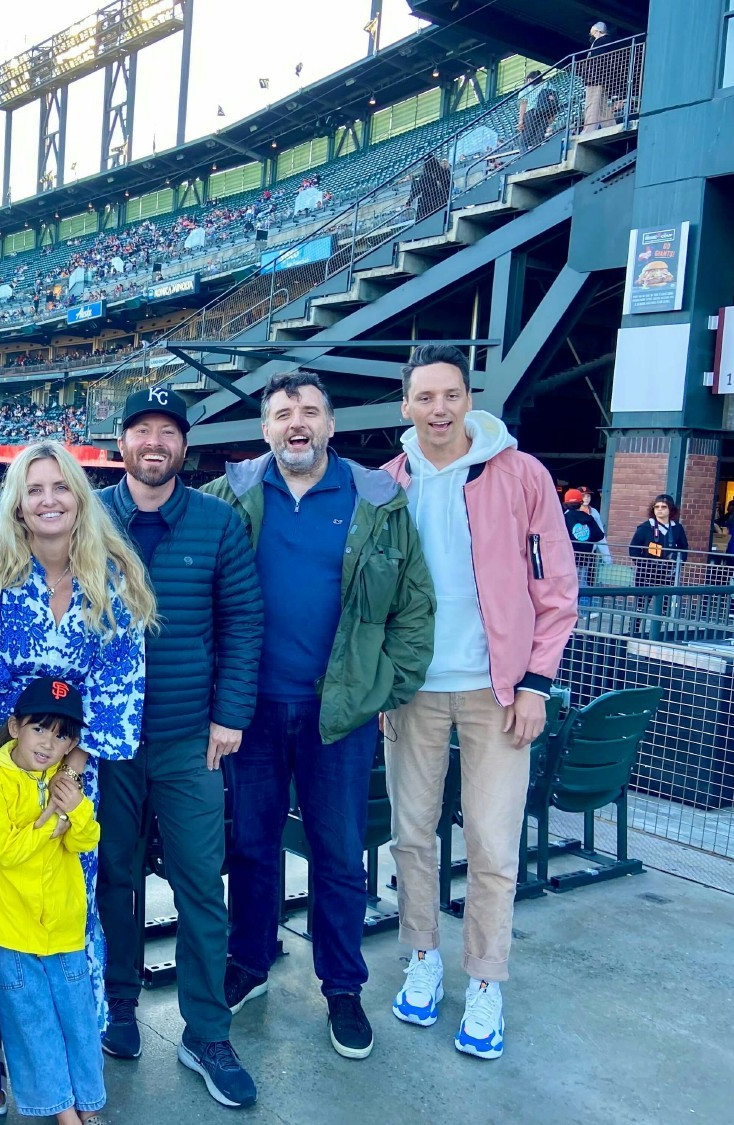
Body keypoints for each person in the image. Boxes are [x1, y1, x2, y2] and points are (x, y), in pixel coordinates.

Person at [0, 441, 152, 1111]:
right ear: (16, 501)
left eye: (60, 487)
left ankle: (63, 1071)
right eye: (33, 487)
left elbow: (118, 690)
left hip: (73, 774)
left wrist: (62, 774)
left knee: (59, 925)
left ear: (79, 497)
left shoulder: (115, 578)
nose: (47, 499)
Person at [205, 371, 434, 1062]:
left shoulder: (377, 499)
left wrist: (382, 689)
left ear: (331, 425)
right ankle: (248, 960)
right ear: (266, 429)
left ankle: (341, 987)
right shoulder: (232, 496)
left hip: (339, 713)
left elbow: (414, 608)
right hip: (253, 708)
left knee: (338, 854)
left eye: (309, 411)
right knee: (252, 844)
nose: (296, 422)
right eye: (282, 413)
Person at [382, 344, 577, 1060]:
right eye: (425, 397)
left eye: (450, 395)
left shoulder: (521, 474)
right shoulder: (387, 484)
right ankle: (423, 956)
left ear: (469, 400)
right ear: (406, 406)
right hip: (413, 691)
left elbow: (556, 588)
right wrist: (380, 681)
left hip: (498, 691)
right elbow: (370, 598)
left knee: (493, 844)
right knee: (412, 835)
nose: (438, 409)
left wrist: (536, 682)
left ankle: (487, 979)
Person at [95, 387, 263, 1108]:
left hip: (190, 738)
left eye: (168, 431)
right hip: (104, 738)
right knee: (114, 879)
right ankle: (120, 1006)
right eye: (142, 430)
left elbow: (244, 623)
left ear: (184, 447)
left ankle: (205, 1028)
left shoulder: (218, 522)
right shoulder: (89, 512)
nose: (154, 442)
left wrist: (229, 716)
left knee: (200, 885)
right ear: (123, 442)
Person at [0, 678, 105, 1125]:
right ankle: (65, 1115)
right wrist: (52, 820)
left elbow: (86, 839)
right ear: (14, 727)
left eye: (62, 735)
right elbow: (5, 851)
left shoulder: (62, 779)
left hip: (63, 925)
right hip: (12, 930)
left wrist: (77, 809)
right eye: (39, 729)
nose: (49, 743)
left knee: (79, 1022)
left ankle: (88, 1105)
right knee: (34, 1026)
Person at [628, 494, 689, 585]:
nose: (659, 509)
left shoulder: (677, 528)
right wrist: (644, 565)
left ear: (671, 510)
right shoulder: (645, 527)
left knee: (665, 599)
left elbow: (684, 548)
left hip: (668, 575)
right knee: (643, 599)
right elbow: (633, 549)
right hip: (646, 575)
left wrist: (677, 563)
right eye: (656, 507)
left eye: (664, 507)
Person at [563, 488, 605, 583]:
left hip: (568, 558)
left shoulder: (563, 518)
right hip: (584, 559)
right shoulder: (589, 518)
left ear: (565, 504)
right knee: (582, 584)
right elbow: (600, 536)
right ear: (580, 502)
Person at [518, 70, 559, 148]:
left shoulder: (526, 87)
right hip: (545, 114)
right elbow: (555, 102)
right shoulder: (548, 85)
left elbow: (523, 104)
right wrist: (552, 117)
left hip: (531, 113)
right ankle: (534, 156)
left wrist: (521, 120)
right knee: (538, 140)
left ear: (529, 79)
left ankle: (525, 158)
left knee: (523, 141)